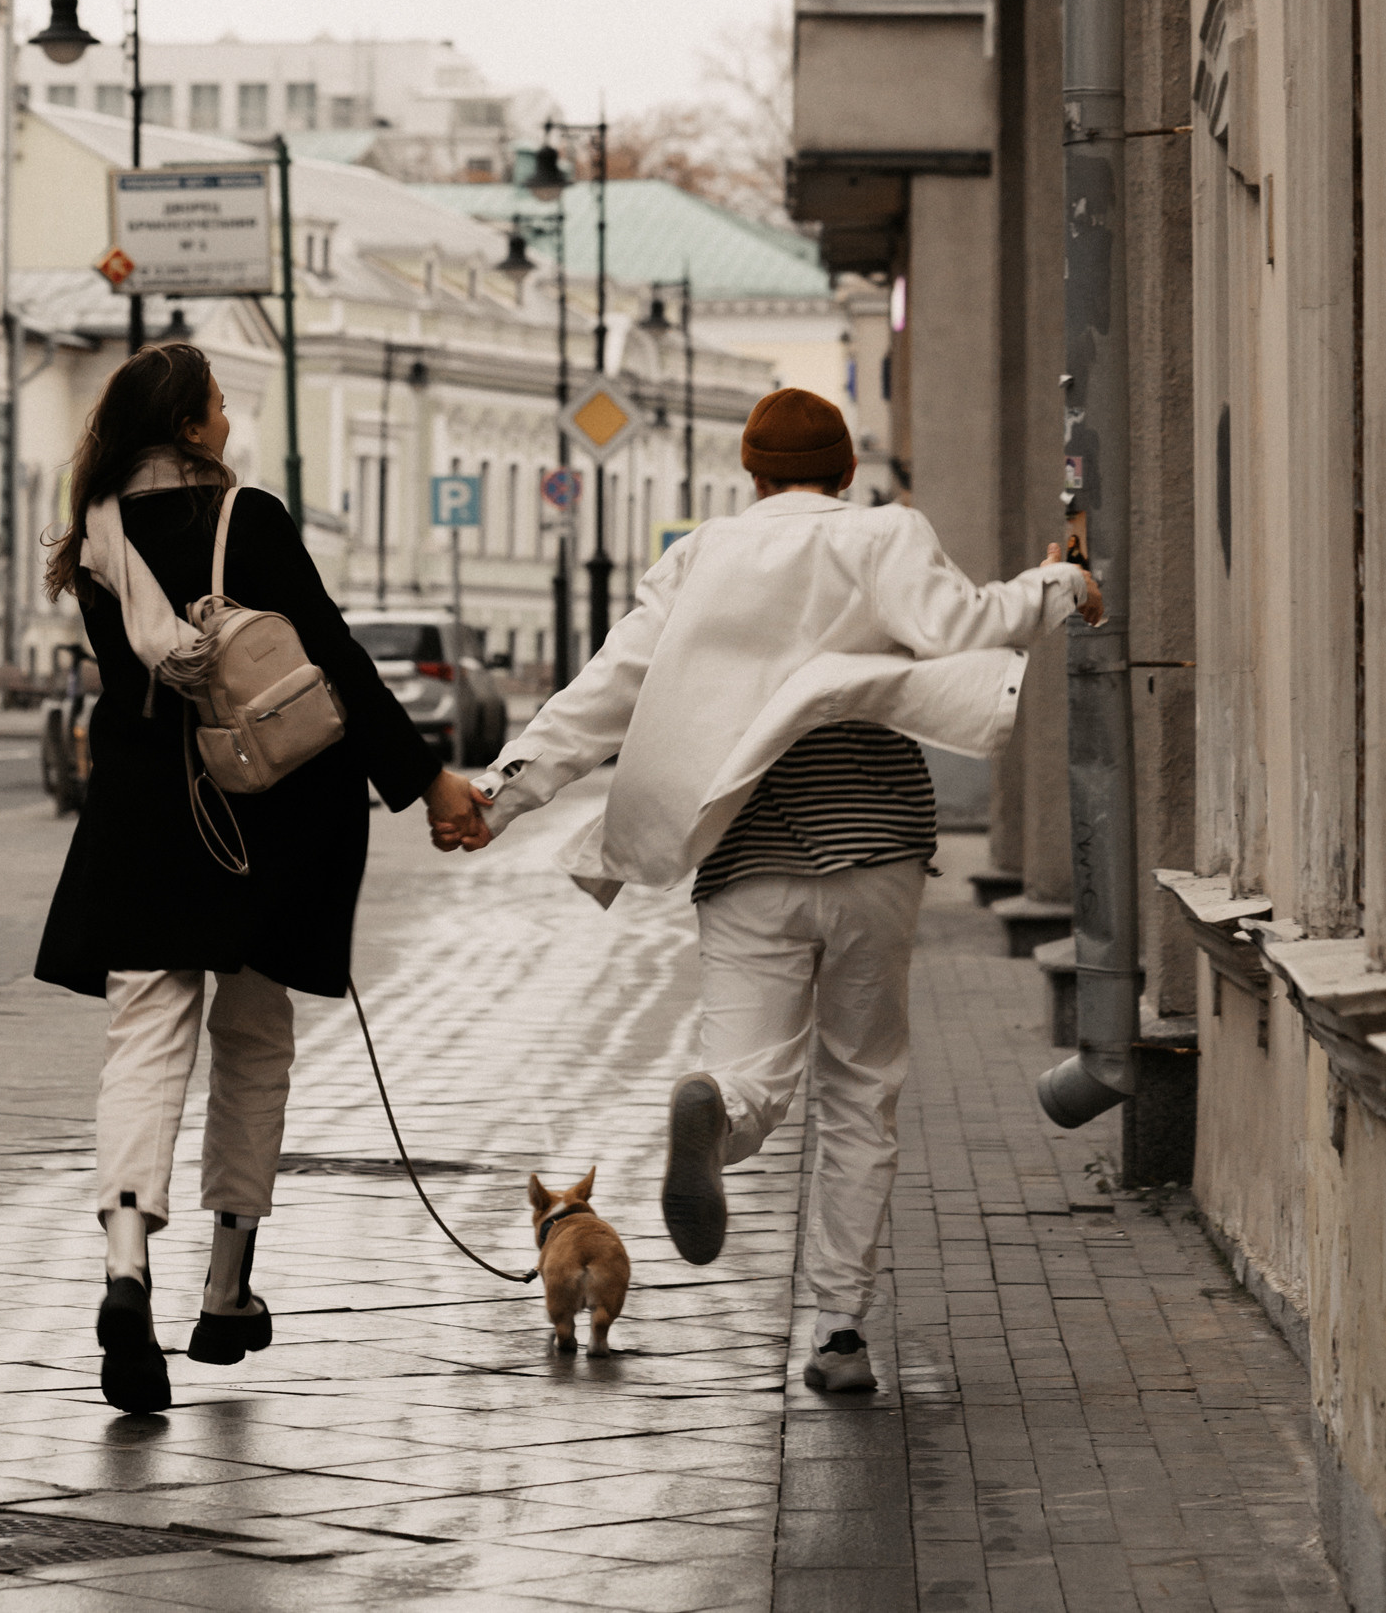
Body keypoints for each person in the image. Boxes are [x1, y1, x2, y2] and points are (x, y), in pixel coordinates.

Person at [437, 385, 1098, 1395]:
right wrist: (1059, 585)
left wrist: (499, 792)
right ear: (846, 470)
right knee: (860, 1088)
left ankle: (723, 1109)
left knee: (753, 1070)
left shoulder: (699, 555)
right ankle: (838, 1332)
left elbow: (606, 688)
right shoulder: (885, 532)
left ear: (749, 474)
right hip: (875, 845)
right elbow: (963, 621)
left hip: (747, 851)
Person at [36, 338, 485, 1411]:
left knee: (144, 1040)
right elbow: (334, 660)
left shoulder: (94, 538)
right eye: (220, 405)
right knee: (252, 1038)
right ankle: (226, 1287)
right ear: (190, 426)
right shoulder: (249, 518)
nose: (230, 420)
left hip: (143, 818)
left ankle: (126, 1266)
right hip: (264, 812)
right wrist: (426, 780)